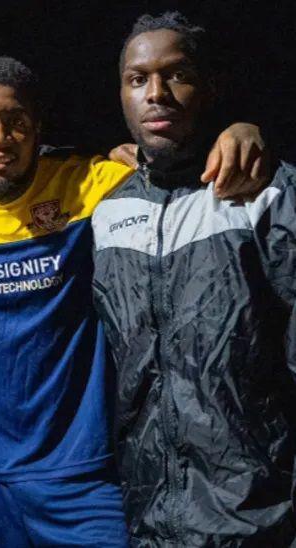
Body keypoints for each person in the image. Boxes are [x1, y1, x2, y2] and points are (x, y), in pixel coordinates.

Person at [0, 56, 267, 547]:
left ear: (38, 130)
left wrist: (238, 131)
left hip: (86, 475)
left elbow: (175, 165)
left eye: (16, 122)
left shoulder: (92, 184)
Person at [92, 12, 296, 545]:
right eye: (138, 79)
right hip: (148, 519)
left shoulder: (266, 193)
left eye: (176, 75)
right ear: (121, 93)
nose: (155, 93)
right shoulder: (107, 213)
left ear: (209, 88)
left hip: (259, 522)